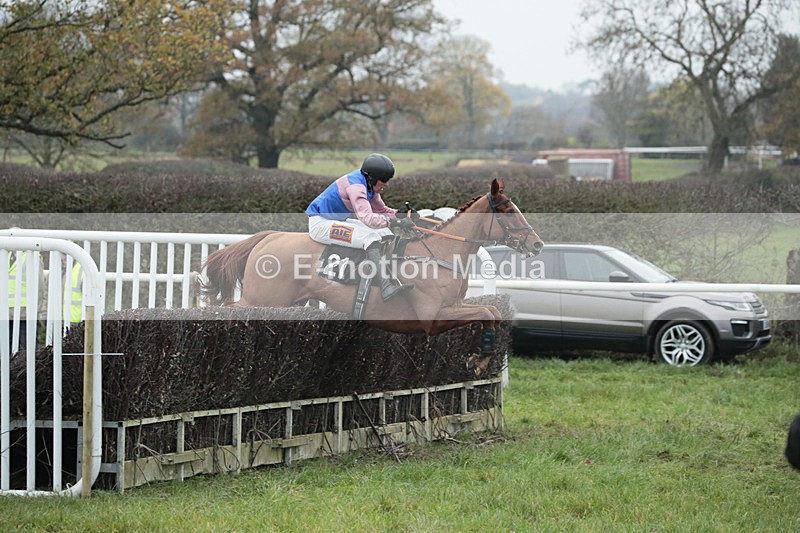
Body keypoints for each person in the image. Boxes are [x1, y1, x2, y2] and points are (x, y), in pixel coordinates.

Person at [306, 153, 415, 301]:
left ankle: (389, 275)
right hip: (320, 224)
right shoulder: (357, 187)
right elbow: (368, 219)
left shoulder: (368, 184)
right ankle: (385, 286)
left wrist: (401, 215)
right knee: (370, 236)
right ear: (372, 177)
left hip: (336, 221)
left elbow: (381, 211)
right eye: (384, 180)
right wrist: (395, 222)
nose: (386, 184)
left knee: (383, 231)